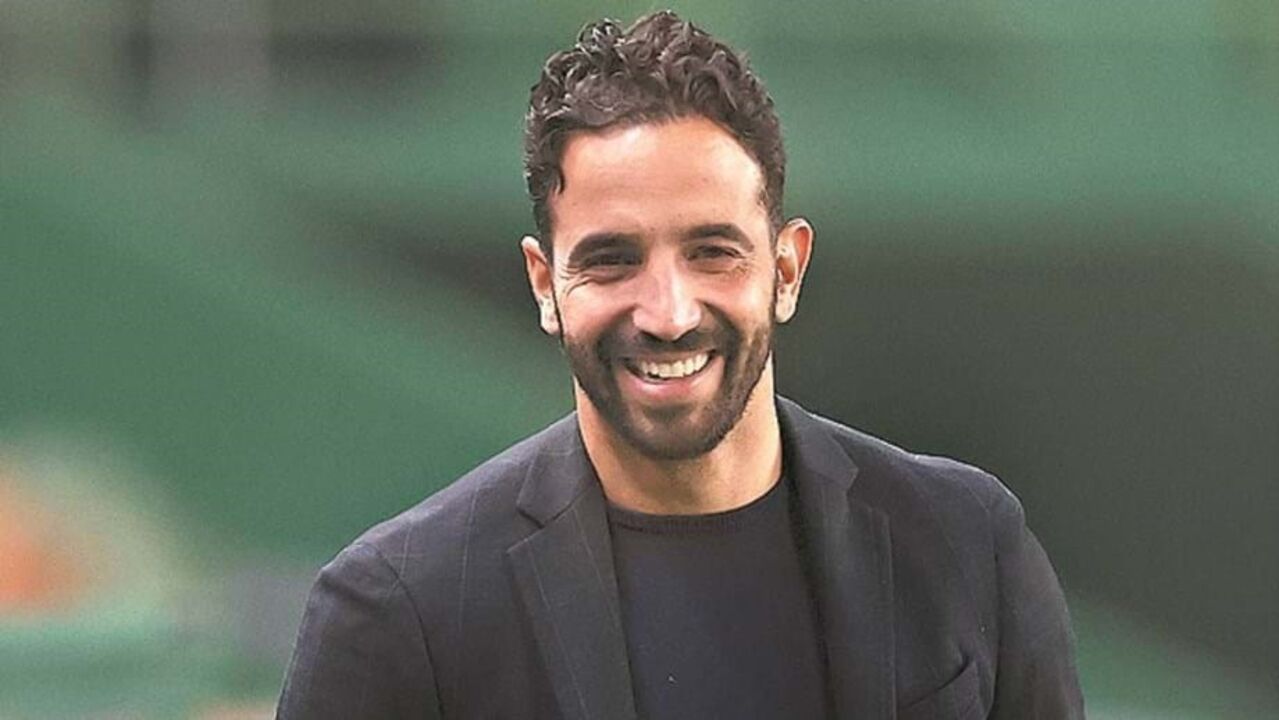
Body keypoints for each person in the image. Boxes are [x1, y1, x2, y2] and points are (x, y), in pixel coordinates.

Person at [277, 11, 1084, 719]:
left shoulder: (965, 545)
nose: (667, 314)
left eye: (711, 252)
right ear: (544, 284)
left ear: (786, 269)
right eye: (611, 260)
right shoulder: (398, 609)